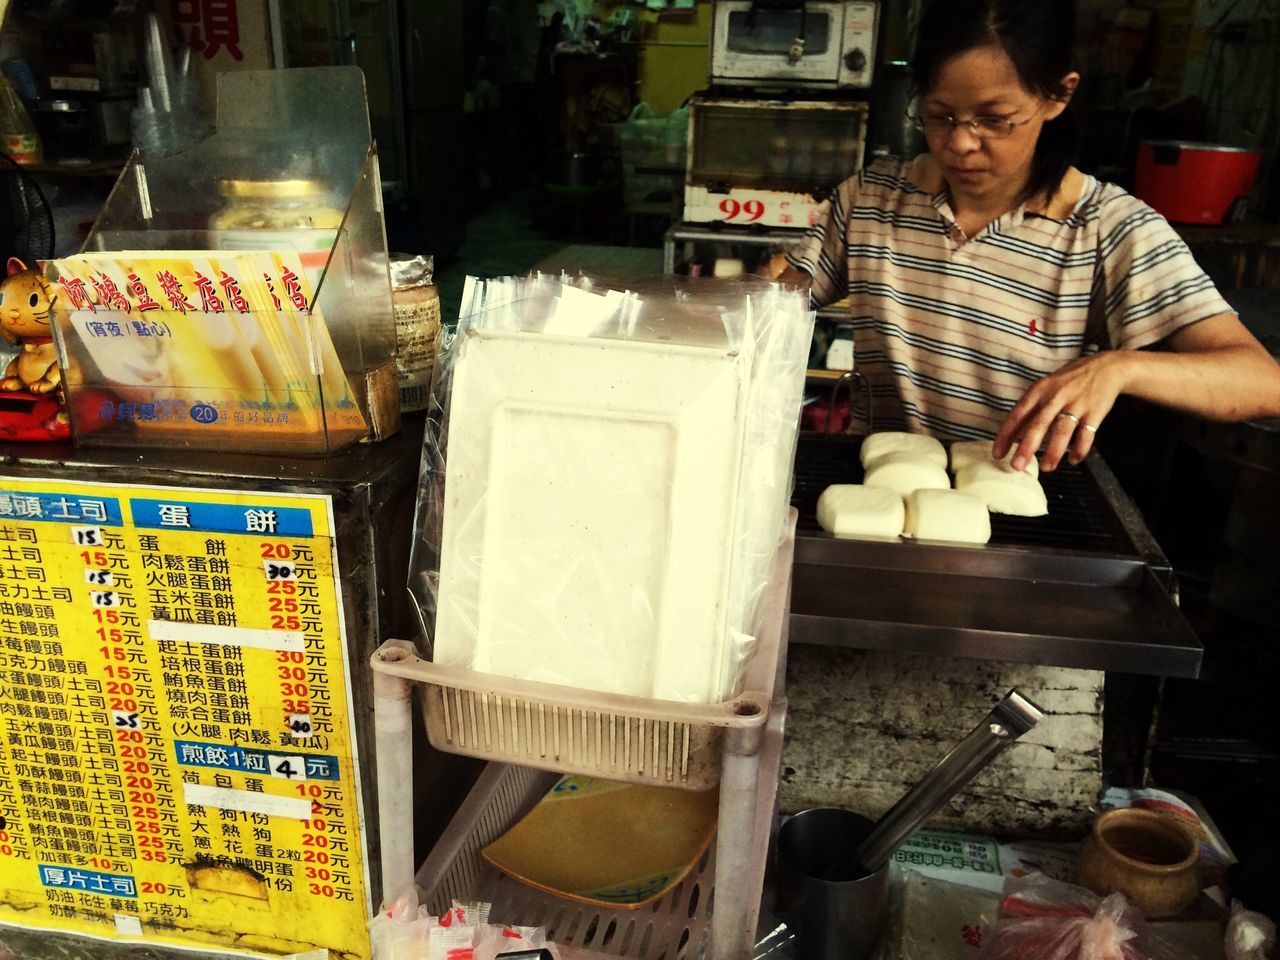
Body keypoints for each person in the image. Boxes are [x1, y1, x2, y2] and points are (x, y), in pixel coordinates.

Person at [771, 0, 1280, 472]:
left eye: (995, 119)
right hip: (878, 489)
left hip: (1021, 507)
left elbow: (1261, 381)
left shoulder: (1108, 230)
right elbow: (767, 305)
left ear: (1058, 95)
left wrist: (1118, 368)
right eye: (939, 114)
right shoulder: (872, 199)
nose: (961, 143)